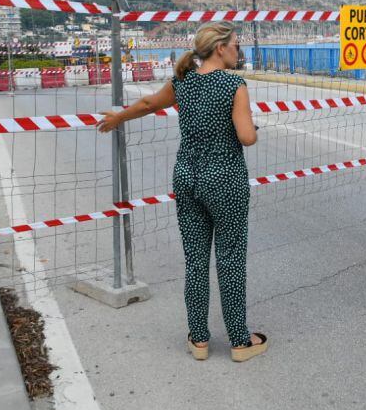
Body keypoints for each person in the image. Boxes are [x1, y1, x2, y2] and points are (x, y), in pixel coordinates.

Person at [97, 21, 268, 362]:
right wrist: (252, 126)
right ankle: (238, 341)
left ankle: (199, 339)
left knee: (195, 261)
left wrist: (117, 118)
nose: (239, 51)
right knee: (230, 259)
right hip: (226, 182)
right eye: (235, 44)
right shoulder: (234, 85)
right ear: (220, 48)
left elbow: (147, 104)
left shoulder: (183, 81)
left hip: (187, 178)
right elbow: (247, 137)